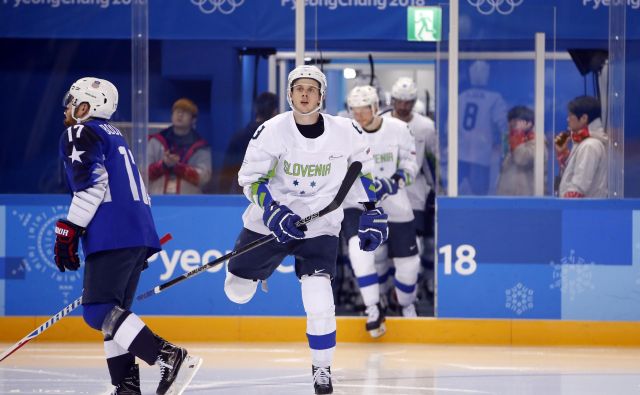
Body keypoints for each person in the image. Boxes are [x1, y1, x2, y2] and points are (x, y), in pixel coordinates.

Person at [222, 65, 388, 395]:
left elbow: (362, 173)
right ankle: (257, 272)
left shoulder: (347, 131)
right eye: (299, 88)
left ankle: (322, 368)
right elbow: (250, 180)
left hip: (321, 224)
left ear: (322, 96)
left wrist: (372, 210)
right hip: (270, 223)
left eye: (311, 88)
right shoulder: (270, 131)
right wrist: (272, 211)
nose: (305, 93)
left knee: (319, 298)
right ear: (289, 94)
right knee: (236, 291)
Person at [54, 77, 202, 394]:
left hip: (112, 231)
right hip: (135, 230)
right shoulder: (114, 134)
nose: (67, 108)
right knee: (114, 315)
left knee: (97, 311)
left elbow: (92, 185)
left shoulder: (79, 132)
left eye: (72, 102)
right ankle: (126, 386)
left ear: (84, 107)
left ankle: (171, 357)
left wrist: (69, 229)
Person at [344, 85, 421, 338]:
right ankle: (373, 308)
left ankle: (406, 303)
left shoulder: (398, 129)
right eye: (354, 111)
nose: (359, 115)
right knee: (359, 252)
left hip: (396, 204)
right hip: (359, 204)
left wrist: (394, 181)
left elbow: (411, 165)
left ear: (375, 107)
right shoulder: (345, 133)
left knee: (409, 266)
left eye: (363, 110)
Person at [383, 77, 438, 296]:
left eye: (409, 102)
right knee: (382, 249)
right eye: (400, 101)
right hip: (383, 194)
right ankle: (385, 292)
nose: (404, 107)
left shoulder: (425, 127)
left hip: (414, 194)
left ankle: (407, 295)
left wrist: (436, 189)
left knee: (413, 247)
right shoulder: (381, 121)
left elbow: (432, 162)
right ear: (393, 100)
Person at [457, 60, 508, 195]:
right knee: (479, 197)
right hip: (481, 156)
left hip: (459, 154)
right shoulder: (495, 98)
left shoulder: (460, 97)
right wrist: (505, 149)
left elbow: (449, 127)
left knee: (457, 195)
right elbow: (504, 126)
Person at [148, 98, 212, 194]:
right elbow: (143, 172)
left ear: (193, 119)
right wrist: (164, 164)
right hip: (157, 200)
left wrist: (178, 167)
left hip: (188, 203)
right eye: (177, 111)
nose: (180, 115)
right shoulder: (156, 141)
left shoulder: (201, 147)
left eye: (185, 112)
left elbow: (203, 178)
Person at [220, 92, 279, 193]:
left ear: (256, 110)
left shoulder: (238, 137)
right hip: (271, 197)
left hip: (242, 196)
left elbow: (226, 176)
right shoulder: (279, 138)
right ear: (275, 111)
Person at [555, 95, 608, 198]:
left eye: (570, 115)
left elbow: (578, 186)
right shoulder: (583, 142)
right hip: (581, 211)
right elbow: (571, 177)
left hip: (583, 212)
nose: (567, 119)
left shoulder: (590, 145)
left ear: (584, 118)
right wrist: (563, 153)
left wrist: (565, 208)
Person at [497, 106, 548, 196]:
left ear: (528, 123)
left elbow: (522, 159)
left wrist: (517, 136)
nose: (512, 125)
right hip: (508, 196)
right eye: (510, 121)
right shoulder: (513, 139)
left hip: (527, 197)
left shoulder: (537, 140)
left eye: (516, 121)